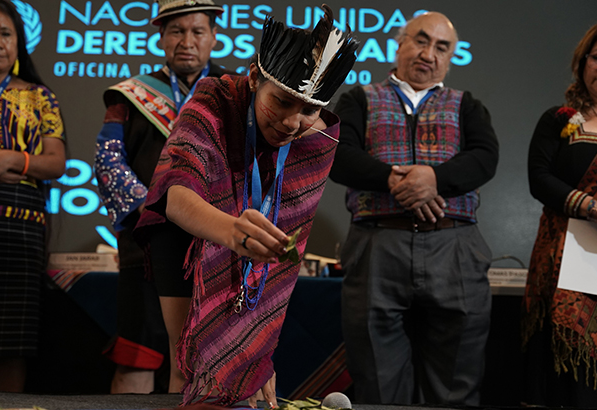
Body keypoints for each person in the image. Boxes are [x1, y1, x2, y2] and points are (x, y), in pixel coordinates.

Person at [134, 5, 359, 406]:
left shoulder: (319, 138)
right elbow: (176, 194)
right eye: (283, 102)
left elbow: (282, 260)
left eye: (307, 109)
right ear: (255, 78)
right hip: (187, 235)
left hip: (253, 257)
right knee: (188, 365)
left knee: (244, 370)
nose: (292, 122)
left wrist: (254, 350)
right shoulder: (214, 99)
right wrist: (231, 231)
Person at [329, 11, 499, 406]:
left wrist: (433, 180)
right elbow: (339, 156)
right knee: (377, 378)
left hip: (454, 247)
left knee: (455, 381)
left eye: (442, 47)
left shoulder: (466, 105)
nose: (429, 53)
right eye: (421, 40)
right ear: (400, 43)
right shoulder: (359, 98)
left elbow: (484, 159)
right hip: (376, 243)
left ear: (451, 57)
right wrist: (394, 180)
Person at [93, 0, 232, 394]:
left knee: (201, 364)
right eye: (176, 31)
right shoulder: (129, 96)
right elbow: (108, 161)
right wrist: (159, 210)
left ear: (214, 37)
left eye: (197, 32)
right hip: (146, 245)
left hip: (214, 246)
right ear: (161, 38)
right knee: (137, 358)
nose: (186, 41)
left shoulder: (235, 92)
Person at [0, 0, 66, 393]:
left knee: (9, 341)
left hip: (18, 232)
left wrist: (7, 160)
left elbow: (55, 164)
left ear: (19, 42)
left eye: (5, 33)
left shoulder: (40, 98)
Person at [522, 23, 597, 408]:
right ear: (582, 63)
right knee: (568, 378)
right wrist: (591, 207)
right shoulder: (559, 120)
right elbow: (539, 179)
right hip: (563, 265)